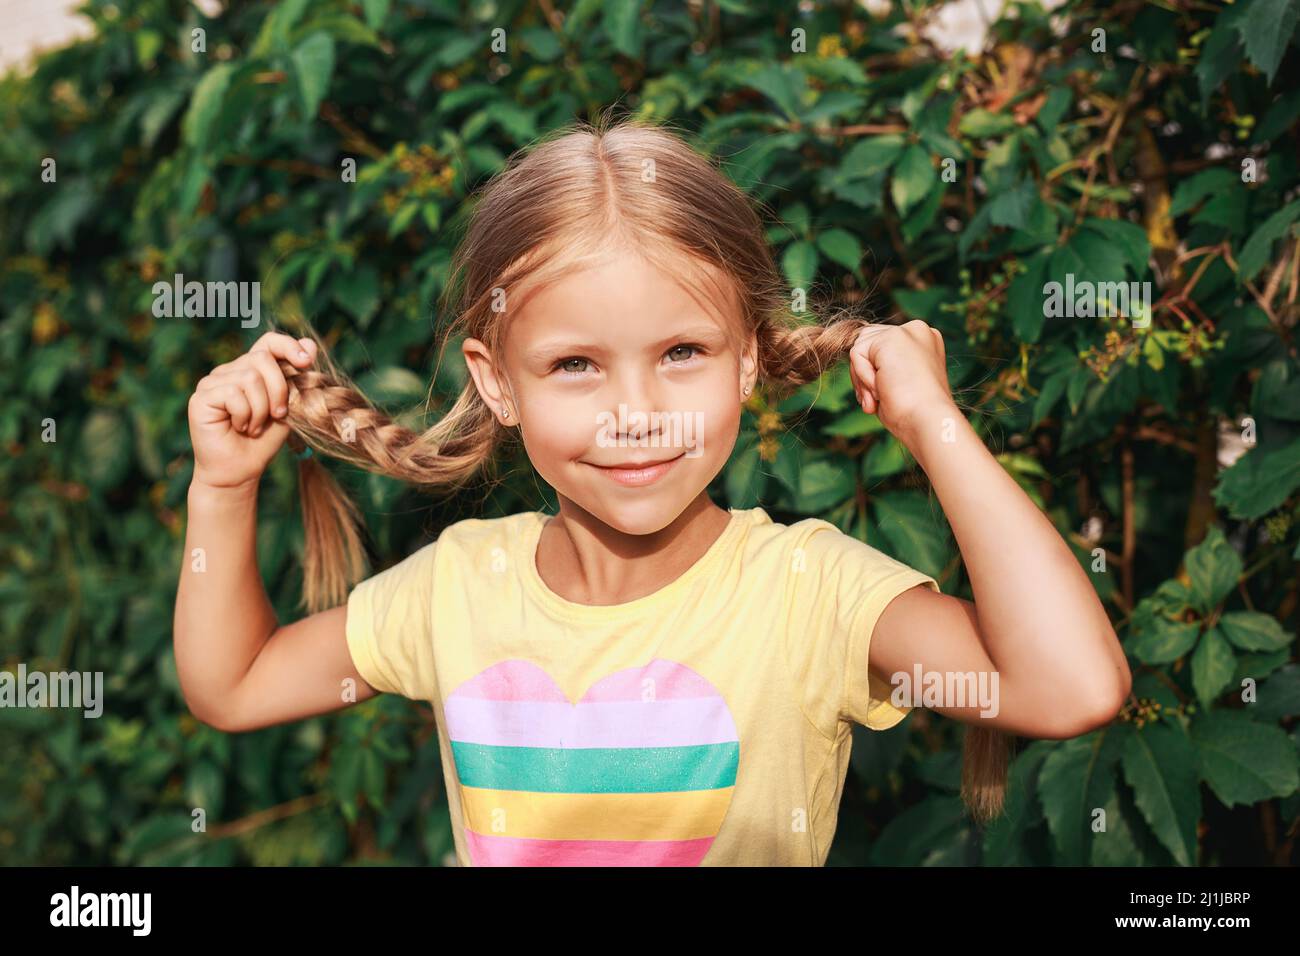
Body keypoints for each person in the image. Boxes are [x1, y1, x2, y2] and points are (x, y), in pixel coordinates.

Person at [173, 116, 1130, 866]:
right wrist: (221, 488)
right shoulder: (460, 587)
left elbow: (1071, 688)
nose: (638, 414)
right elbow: (235, 685)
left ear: (747, 360)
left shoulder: (806, 595)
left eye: (682, 353)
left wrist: (935, 424)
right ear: (498, 380)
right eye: (576, 365)